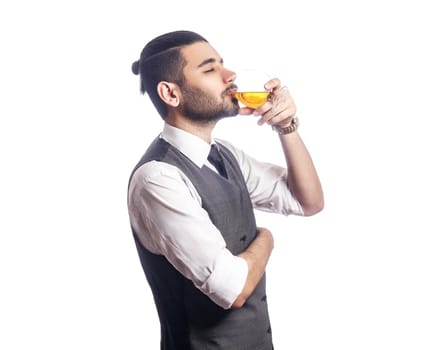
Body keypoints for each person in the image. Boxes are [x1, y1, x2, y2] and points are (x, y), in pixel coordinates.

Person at [127, 30, 324, 350]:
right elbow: (232, 289)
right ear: (171, 94)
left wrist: (285, 125)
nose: (229, 75)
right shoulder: (158, 178)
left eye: (222, 64)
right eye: (209, 69)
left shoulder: (225, 154)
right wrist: (267, 239)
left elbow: (308, 201)